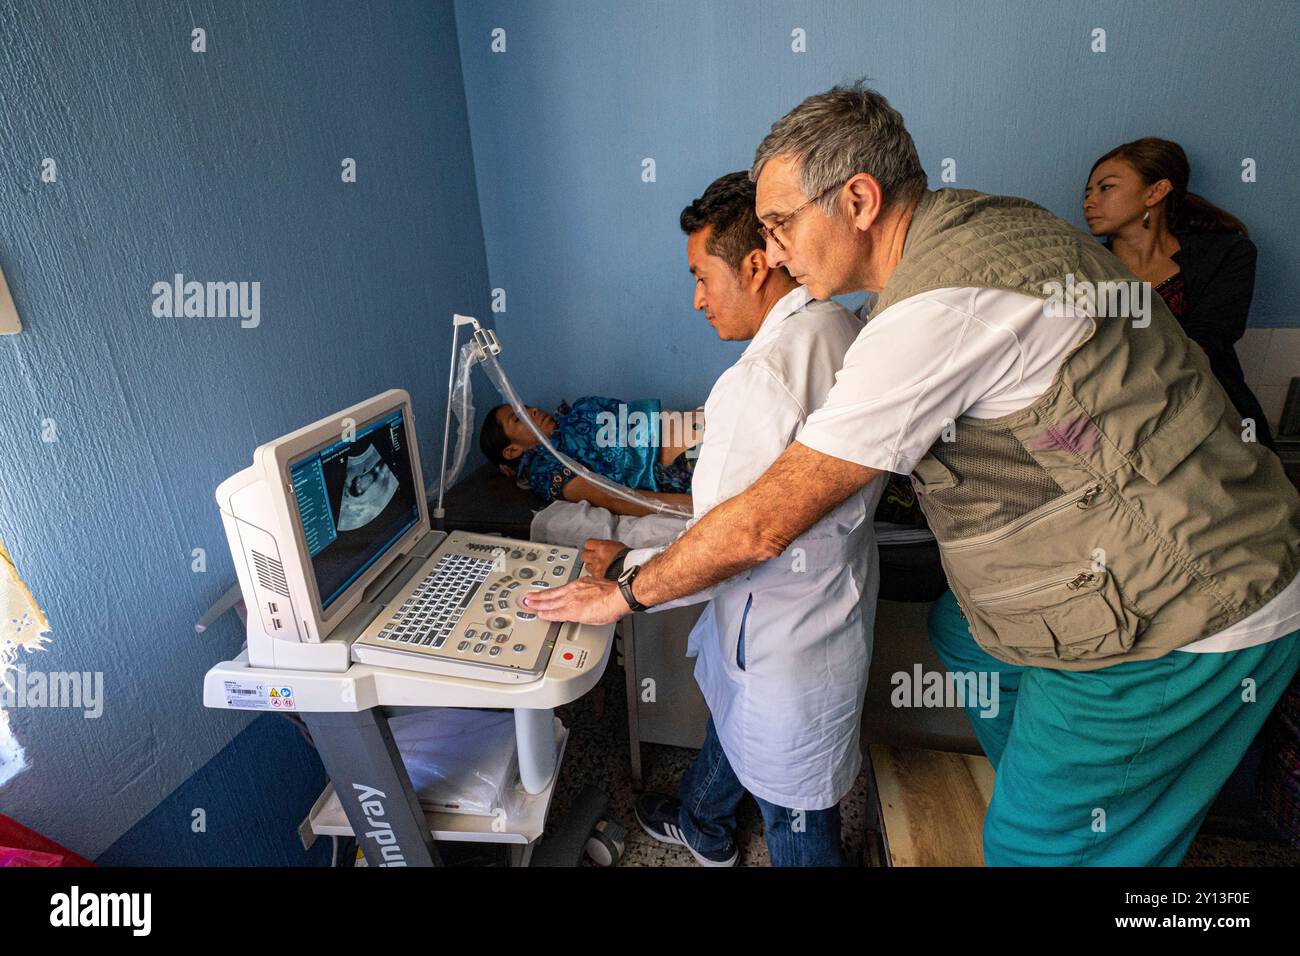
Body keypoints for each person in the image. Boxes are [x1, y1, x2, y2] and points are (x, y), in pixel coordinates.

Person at [527, 82, 1300, 867]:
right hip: (1214, 519)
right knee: (959, 636)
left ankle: (1060, 819)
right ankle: (1045, 776)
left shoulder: (932, 311)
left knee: (1034, 848)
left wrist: (624, 588)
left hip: (1183, 600)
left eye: (782, 224)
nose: (776, 251)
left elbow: (759, 523)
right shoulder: (978, 230)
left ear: (858, 198)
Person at [583, 171, 880, 866]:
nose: (696, 300)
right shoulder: (839, 324)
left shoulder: (759, 381)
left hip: (784, 648)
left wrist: (623, 576)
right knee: (731, 715)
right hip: (816, 610)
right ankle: (703, 821)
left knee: (798, 817)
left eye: (700, 277)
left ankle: (734, 832)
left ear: (754, 265)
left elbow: (727, 545)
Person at [1084, 137, 1275, 450]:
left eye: (1106, 187)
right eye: (1088, 192)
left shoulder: (1226, 253)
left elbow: (1211, 338)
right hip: (1111, 414)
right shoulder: (1086, 265)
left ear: (1156, 191)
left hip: (1205, 407)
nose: (1089, 202)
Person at [478, 397, 700, 516]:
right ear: (512, 451)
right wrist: (698, 506)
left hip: (704, 421)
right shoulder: (548, 469)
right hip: (693, 459)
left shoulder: (575, 413)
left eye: (525, 407)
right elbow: (613, 498)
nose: (533, 410)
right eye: (518, 418)